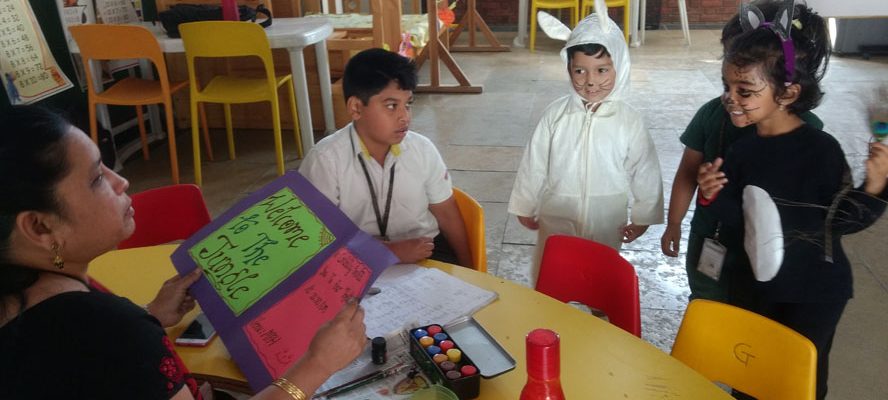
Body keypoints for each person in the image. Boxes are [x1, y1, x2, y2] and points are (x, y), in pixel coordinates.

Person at [0, 106, 367, 400]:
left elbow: (83, 370)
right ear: (40, 227)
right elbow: (98, 349)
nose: (121, 181)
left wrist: (150, 317)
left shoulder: (32, 296)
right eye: (97, 179)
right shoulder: (110, 330)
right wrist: (317, 364)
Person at [696, 2, 888, 398]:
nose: (731, 99)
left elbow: (838, 223)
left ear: (787, 92)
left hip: (813, 293)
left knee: (799, 380)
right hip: (757, 286)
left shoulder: (820, 150)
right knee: (750, 375)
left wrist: (874, 187)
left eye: (745, 91)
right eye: (727, 88)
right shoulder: (742, 151)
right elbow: (740, 219)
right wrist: (711, 195)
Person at [660, 0, 825, 302]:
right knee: (707, 306)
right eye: (728, 81)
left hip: (766, 252)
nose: (730, 96)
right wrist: (674, 222)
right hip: (711, 238)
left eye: (745, 85)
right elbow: (687, 172)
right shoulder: (712, 115)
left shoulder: (809, 133)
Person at [508, 2, 663, 284]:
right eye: (580, 71)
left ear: (620, 66)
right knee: (552, 275)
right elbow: (534, 162)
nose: (591, 82)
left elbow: (645, 169)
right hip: (557, 213)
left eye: (602, 70)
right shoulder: (555, 115)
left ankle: (597, 308)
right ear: (568, 68)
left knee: (600, 279)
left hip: (607, 217)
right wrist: (525, 204)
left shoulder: (629, 120)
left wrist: (643, 215)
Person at [299, 48, 472, 268]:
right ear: (356, 108)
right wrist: (391, 252)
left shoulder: (422, 150)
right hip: (352, 259)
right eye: (391, 106)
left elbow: (447, 215)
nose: (404, 117)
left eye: (408, 104)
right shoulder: (325, 161)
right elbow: (316, 240)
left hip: (426, 250)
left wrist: (472, 272)